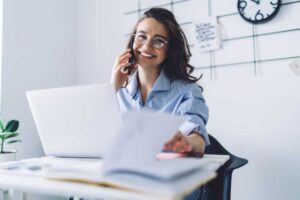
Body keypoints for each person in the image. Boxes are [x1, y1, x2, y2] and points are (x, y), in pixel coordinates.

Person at [110, 7, 210, 200]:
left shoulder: (187, 91)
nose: (146, 47)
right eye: (141, 37)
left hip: (169, 186)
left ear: (169, 48)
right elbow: (98, 138)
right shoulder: (118, 92)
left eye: (158, 41)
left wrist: (183, 142)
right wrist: (112, 87)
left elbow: (198, 140)